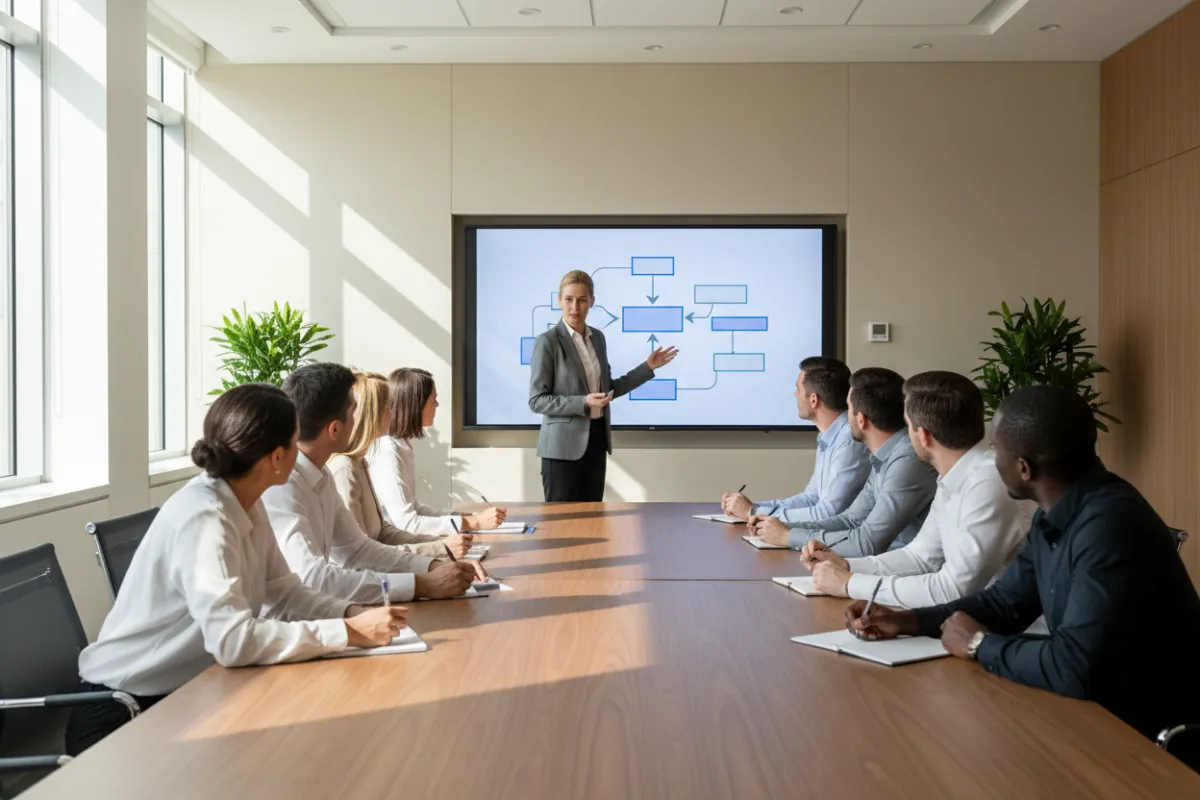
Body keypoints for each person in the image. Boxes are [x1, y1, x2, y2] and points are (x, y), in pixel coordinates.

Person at [845, 386, 1200, 758]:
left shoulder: (1109, 525)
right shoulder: (1057, 512)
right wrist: (909, 621)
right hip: (1096, 709)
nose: (991, 458)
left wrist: (979, 644)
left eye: (996, 449)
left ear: (1023, 467)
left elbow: (1076, 668)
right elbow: (1005, 603)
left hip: (1146, 734)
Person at [66, 384, 408, 754]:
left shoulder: (245, 500)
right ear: (277, 458)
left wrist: (351, 613)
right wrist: (346, 632)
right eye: (295, 442)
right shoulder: (206, 518)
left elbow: (285, 593)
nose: (300, 452)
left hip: (186, 694)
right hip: (124, 713)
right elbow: (233, 641)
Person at [802, 371, 1026, 606]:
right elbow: (920, 557)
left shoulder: (987, 483)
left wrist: (850, 584)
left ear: (924, 436)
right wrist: (846, 565)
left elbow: (953, 590)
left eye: (907, 426)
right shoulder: (954, 476)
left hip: (1003, 624)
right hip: (972, 617)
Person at [264, 363, 480, 604]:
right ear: (334, 428)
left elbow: (358, 550)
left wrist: (432, 566)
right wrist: (422, 584)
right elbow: (312, 578)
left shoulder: (321, 473)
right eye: (354, 410)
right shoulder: (283, 486)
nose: (360, 417)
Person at [749, 367, 937, 555]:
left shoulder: (906, 461)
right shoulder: (885, 455)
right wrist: (784, 528)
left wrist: (788, 536)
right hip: (882, 562)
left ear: (861, 419)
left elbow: (867, 543)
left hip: (898, 565)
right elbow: (851, 520)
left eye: (849, 409)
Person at [529, 270, 679, 502]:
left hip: (596, 443)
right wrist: (583, 402)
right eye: (568, 299)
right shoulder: (547, 341)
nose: (574, 308)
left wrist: (647, 368)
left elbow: (608, 390)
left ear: (592, 301)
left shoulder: (597, 338)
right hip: (561, 450)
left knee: (593, 517)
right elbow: (537, 400)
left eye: (582, 300)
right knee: (561, 520)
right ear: (559, 300)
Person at [330, 370, 473, 558]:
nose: (394, 410)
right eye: (388, 406)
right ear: (371, 414)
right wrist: (440, 547)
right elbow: (360, 555)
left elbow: (383, 533)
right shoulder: (347, 467)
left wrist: (440, 544)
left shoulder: (360, 462)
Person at [721, 356, 869, 523]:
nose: (795, 394)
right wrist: (753, 507)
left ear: (813, 399)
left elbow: (828, 513)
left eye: (798, 388)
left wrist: (753, 512)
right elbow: (811, 498)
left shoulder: (850, 440)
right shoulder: (828, 436)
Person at [369, 367, 507, 534]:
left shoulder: (401, 446)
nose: (437, 404)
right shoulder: (388, 452)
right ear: (416, 404)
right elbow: (407, 523)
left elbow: (415, 508)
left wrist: (461, 518)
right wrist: (474, 522)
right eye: (433, 398)